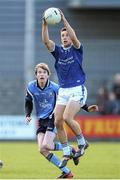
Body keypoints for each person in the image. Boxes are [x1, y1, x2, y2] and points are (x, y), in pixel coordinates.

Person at [42, 10, 98, 168]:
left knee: (67, 117)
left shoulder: (77, 48)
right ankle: (67, 150)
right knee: (58, 120)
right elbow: (46, 42)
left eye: (66, 35)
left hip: (77, 88)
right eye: (63, 36)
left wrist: (64, 19)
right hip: (64, 90)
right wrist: (44, 24)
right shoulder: (58, 52)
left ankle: (82, 142)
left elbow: (74, 36)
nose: (65, 37)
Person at [25, 63, 74, 178]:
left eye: (44, 72)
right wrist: (27, 114)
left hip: (53, 117)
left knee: (47, 144)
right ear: (36, 75)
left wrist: (85, 107)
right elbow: (28, 101)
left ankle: (69, 149)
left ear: (48, 75)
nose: (41, 74)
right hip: (41, 120)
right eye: (39, 72)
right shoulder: (31, 86)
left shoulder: (55, 87)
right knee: (42, 149)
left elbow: (67, 99)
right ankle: (67, 172)